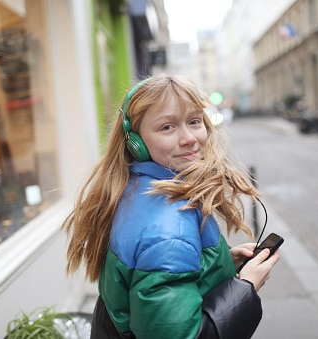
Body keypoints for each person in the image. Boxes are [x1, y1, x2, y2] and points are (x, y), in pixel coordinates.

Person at [62, 74, 280, 339]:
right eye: (167, 127)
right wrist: (246, 286)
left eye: (194, 121)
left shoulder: (137, 185)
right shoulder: (168, 231)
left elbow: (159, 283)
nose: (189, 138)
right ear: (136, 142)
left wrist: (217, 264)